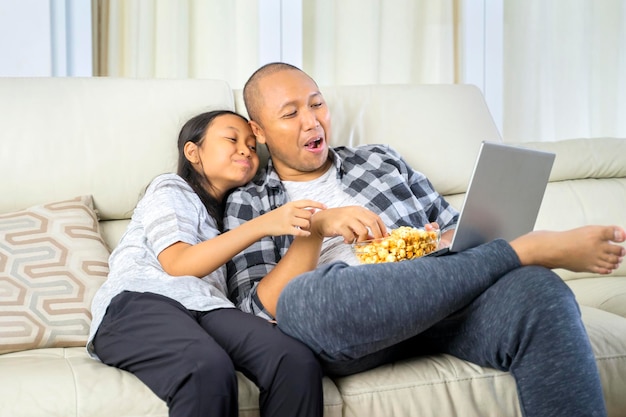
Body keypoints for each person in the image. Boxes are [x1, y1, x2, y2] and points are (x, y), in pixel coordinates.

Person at [224, 62, 626, 417]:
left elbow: (454, 229)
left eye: (316, 104)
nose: (311, 122)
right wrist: (316, 228)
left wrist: (436, 241)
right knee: (303, 301)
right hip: (354, 324)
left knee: (538, 289)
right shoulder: (250, 201)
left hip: (445, 302)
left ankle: (518, 256)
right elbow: (259, 309)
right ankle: (521, 251)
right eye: (291, 113)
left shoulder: (379, 159)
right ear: (258, 131)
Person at [87, 110, 325, 417]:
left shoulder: (233, 214)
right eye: (232, 139)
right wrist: (265, 224)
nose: (246, 150)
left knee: (294, 360)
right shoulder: (169, 188)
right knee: (206, 368)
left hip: (208, 308)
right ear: (193, 151)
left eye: (253, 146)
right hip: (140, 303)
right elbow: (178, 263)